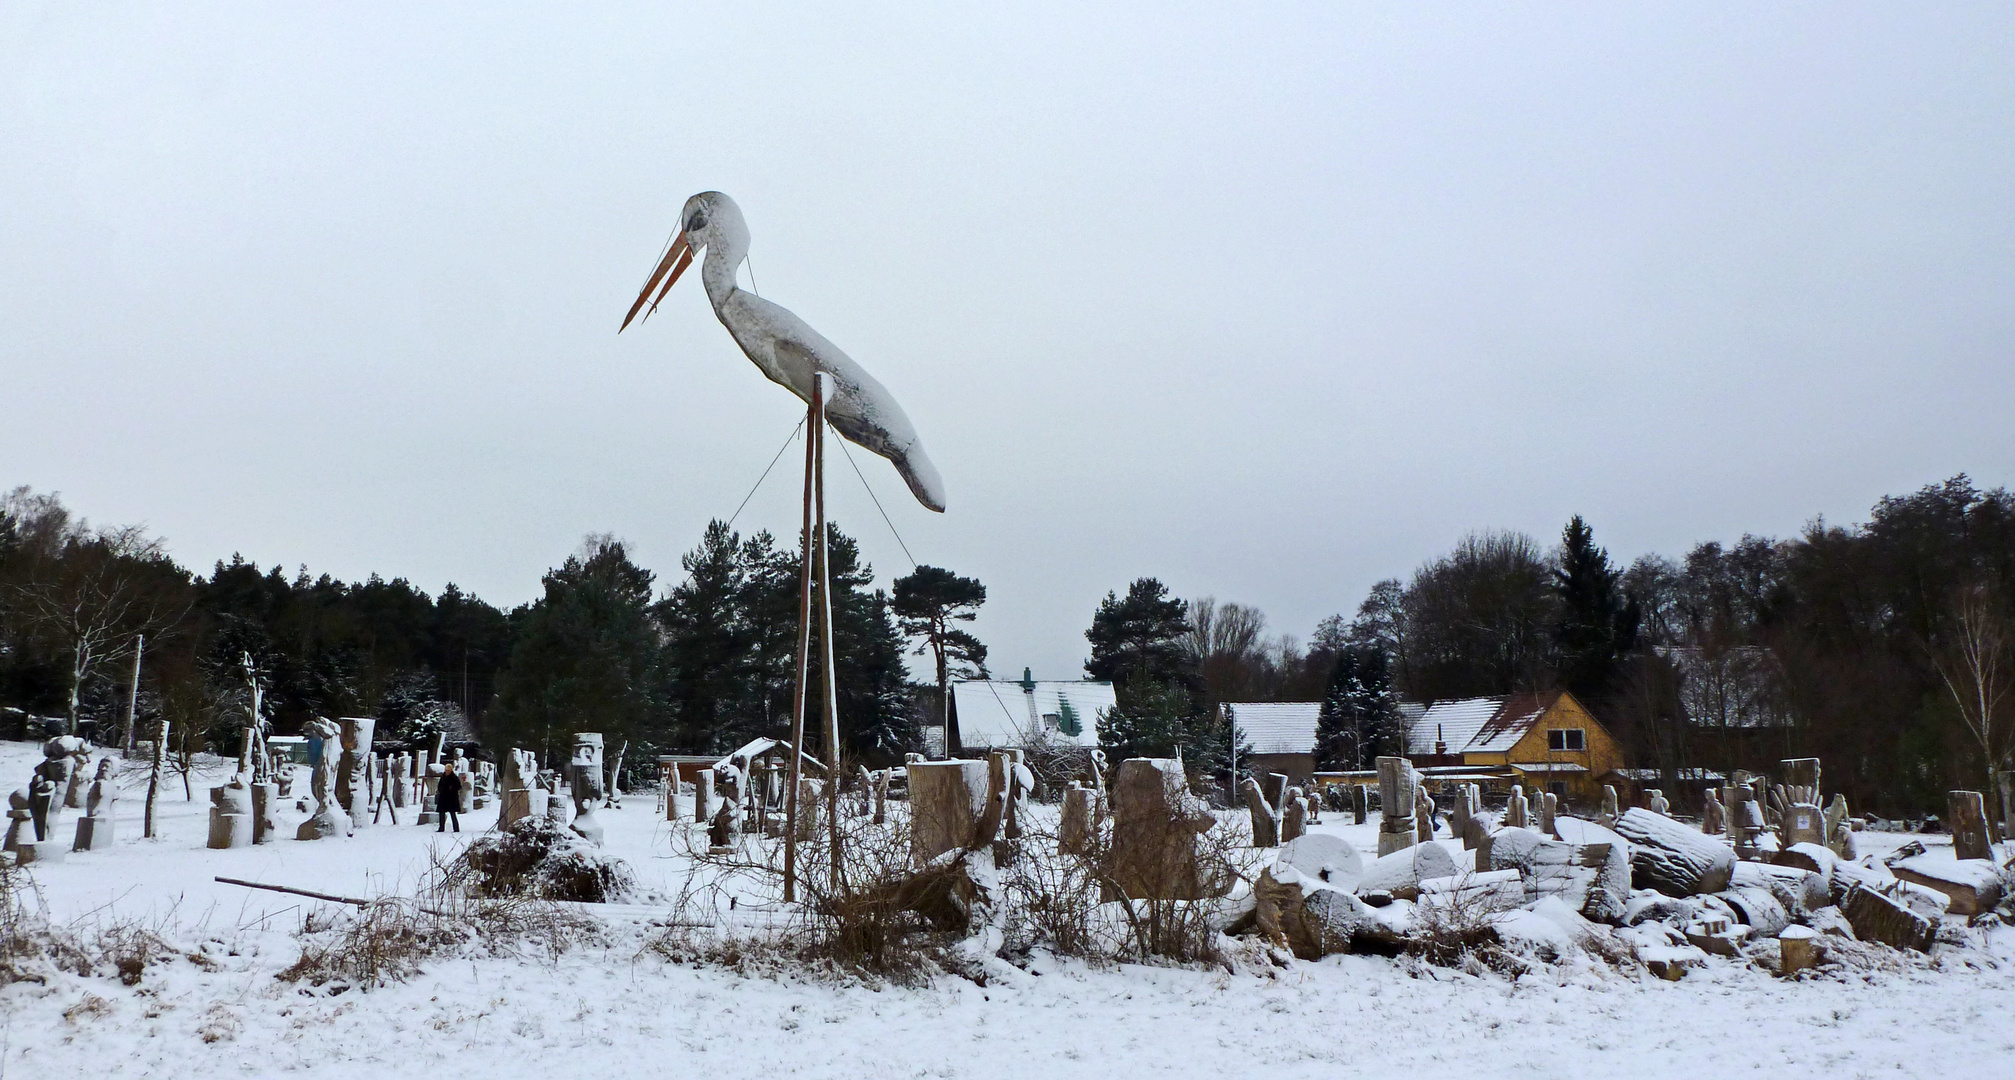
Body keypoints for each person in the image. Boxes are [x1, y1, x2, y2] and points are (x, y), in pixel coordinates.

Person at [435, 766, 463, 833]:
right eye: (446, 770)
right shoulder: (443, 777)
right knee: (441, 813)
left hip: (451, 798)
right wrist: (441, 790)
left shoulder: (454, 777)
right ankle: (441, 828)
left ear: (451, 770)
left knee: (452, 813)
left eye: (448, 770)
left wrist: (452, 789)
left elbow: (458, 786)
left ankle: (456, 828)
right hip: (443, 797)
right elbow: (439, 785)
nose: (447, 771)